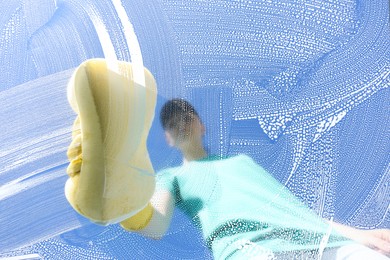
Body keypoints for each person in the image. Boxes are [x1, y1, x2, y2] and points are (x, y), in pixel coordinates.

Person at [67, 97, 390, 259]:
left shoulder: (241, 161)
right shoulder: (171, 178)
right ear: (167, 138)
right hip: (250, 251)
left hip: (315, 242)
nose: (182, 125)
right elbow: (153, 224)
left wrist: (356, 234)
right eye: (172, 124)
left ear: (200, 125)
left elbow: (288, 208)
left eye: (187, 118)